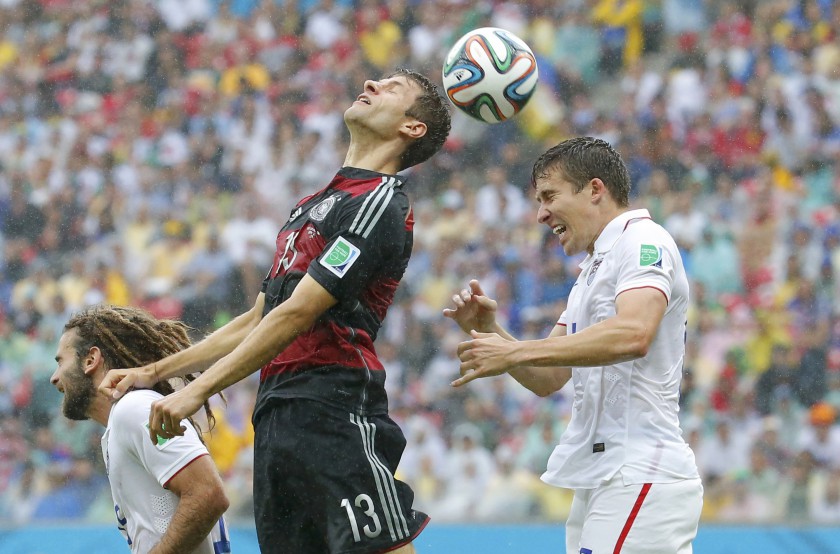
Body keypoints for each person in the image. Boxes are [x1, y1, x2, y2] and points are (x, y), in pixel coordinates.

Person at [100, 68, 451, 554]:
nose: (370, 85)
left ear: (412, 128)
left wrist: (195, 391)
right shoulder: (311, 204)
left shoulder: (380, 202)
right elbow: (260, 316)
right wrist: (154, 372)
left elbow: (297, 315)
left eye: (391, 89)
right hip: (274, 415)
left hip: (335, 404)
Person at [444, 137, 702, 553]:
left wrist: (515, 351)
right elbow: (548, 378)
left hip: (638, 471)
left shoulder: (642, 242)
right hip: (606, 477)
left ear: (595, 189)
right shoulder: (591, 271)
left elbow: (634, 333)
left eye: (550, 196)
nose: (542, 213)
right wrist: (495, 333)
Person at [50, 305, 230, 554]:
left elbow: (208, 494)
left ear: (90, 360)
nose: (54, 377)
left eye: (60, 362)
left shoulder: (133, 409)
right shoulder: (119, 424)